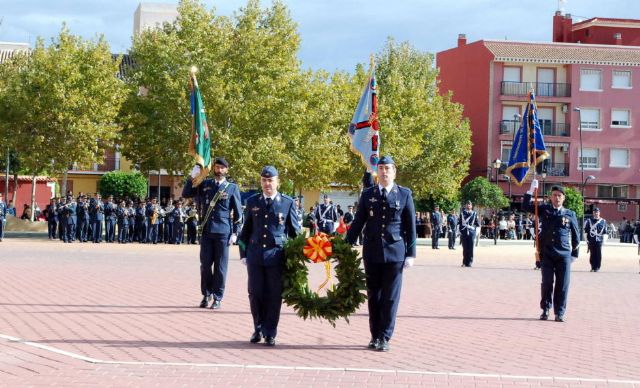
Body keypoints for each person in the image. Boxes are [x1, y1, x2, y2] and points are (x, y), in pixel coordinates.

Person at [346, 156, 416, 352]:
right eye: (381, 168)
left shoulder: (404, 194)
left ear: (394, 172)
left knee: (390, 297)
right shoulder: (368, 194)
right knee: (373, 296)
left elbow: (410, 227)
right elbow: (358, 223)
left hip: (395, 253)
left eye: (388, 168)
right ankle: (375, 335)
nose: (384, 172)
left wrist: (411, 254)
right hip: (372, 252)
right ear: (377, 172)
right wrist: (345, 246)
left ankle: (385, 336)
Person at [238, 165, 300, 346]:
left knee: (274, 295)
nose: (267, 184)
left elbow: (294, 232)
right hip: (255, 256)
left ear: (277, 182)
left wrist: (298, 254)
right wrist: (243, 253)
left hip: (277, 256)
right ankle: (258, 328)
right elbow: (245, 231)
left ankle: (270, 331)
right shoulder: (252, 202)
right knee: (255, 293)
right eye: (264, 180)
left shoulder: (287, 203)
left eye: (270, 180)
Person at [183, 157, 242, 310]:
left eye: (222, 168)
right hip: (207, 230)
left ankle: (217, 297)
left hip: (223, 232)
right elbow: (186, 193)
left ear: (226, 170)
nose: (219, 170)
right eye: (217, 167)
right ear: (213, 168)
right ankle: (206, 294)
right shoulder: (205, 184)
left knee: (221, 267)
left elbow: (238, 213)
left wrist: (235, 232)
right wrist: (192, 176)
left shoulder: (232, 188)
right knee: (205, 266)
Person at [523, 181, 579, 322]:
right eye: (554, 195)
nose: (557, 198)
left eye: (560, 195)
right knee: (547, 282)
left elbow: (577, 235)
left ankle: (559, 312)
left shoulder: (570, 214)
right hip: (546, 253)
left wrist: (574, 254)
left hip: (564, 255)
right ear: (550, 197)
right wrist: (530, 190)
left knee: (563, 284)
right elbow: (525, 206)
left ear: (563, 198)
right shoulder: (544, 209)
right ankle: (545, 309)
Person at [458, 200, 480, 267]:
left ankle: (470, 262)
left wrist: (476, 232)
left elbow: (477, 223)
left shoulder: (474, 213)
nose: (468, 206)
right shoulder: (462, 213)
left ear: (471, 206)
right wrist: (459, 231)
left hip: (471, 232)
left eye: (469, 205)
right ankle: (464, 262)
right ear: (465, 206)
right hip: (464, 232)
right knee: (465, 248)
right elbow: (459, 223)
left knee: (470, 248)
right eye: (467, 204)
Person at [584, 208, 607, 272]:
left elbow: (605, 232)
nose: (596, 213)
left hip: (599, 240)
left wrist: (604, 241)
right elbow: (586, 231)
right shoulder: (589, 221)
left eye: (597, 212)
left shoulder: (603, 221)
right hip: (591, 240)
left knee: (598, 254)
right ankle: (592, 266)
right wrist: (587, 240)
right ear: (593, 213)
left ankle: (597, 267)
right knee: (592, 254)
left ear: (599, 213)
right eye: (595, 212)